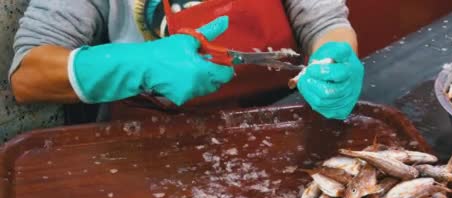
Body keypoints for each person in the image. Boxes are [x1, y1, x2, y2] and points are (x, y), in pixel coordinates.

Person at [9, 0, 364, 121]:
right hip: (150, 137)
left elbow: (325, 24)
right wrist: (138, 64)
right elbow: (29, 75)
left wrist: (334, 64)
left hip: (279, 115)